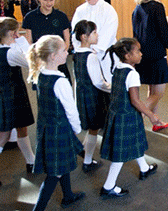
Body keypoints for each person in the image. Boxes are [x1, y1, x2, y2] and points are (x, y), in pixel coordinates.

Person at [27, 35, 85, 210]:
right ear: (53, 55)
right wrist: (77, 128)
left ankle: (67, 196)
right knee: (55, 173)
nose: (67, 52)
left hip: (47, 128)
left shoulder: (40, 74)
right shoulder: (60, 81)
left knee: (61, 162)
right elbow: (71, 110)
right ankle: (38, 208)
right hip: (59, 130)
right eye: (64, 50)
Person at [100, 38, 160, 198]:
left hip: (117, 113)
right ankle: (108, 186)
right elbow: (135, 100)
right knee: (121, 154)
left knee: (133, 142)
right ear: (127, 55)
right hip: (126, 117)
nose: (141, 54)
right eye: (138, 51)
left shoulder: (118, 68)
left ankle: (144, 169)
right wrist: (151, 114)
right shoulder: (132, 74)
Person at [132, 0, 168, 132]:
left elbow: (135, 34)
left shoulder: (137, 8)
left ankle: (156, 122)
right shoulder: (157, 6)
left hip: (142, 55)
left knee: (151, 90)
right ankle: (137, 119)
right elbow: (164, 32)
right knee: (159, 93)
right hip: (156, 55)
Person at [73, 20, 111, 173]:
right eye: (94, 32)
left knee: (91, 128)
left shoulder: (77, 53)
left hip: (82, 94)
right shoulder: (91, 56)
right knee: (94, 128)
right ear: (84, 36)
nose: (97, 35)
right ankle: (88, 160)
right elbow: (98, 82)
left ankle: (84, 151)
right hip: (93, 96)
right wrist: (112, 88)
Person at [0, 18, 35, 178]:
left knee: (21, 127)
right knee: (5, 134)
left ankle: (31, 161)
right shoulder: (11, 52)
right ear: (13, 33)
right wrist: (23, 43)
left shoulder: (7, 48)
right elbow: (32, 63)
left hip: (8, 93)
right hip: (11, 94)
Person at [71, 0, 118, 83]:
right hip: (84, 52)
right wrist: (81, 48)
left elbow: (109, 32)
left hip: (102, 52)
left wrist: (96, 49)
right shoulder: (80, 10)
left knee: (106, 81)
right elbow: (75, 32)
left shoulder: (108, 10)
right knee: (85, 83)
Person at [22, 0, 72, 83]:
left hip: (58, 60)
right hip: (41, 60)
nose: (49, 3)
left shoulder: (61, 16)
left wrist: (59, 56)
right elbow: (29, 41)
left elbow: (67, 40)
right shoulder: (30, 17)